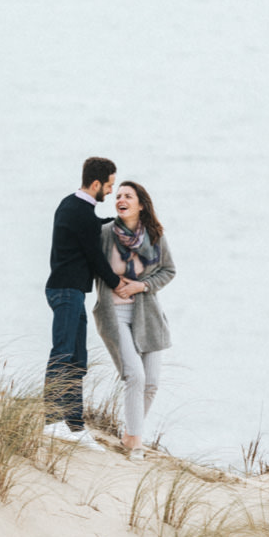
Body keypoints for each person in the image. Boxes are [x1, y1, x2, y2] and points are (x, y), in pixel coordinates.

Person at [43, 156, 140, 450]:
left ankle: (74, 425)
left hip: (70, 291)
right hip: (66, 291)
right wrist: (117, 284)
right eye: (109, 186)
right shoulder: (79, 212)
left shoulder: (72, 206)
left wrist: (116, 222)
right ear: (96, 183)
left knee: (77, 357)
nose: (111, 192)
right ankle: (52, 421)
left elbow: (91, 229)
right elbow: (94, 256)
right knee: (63, 352)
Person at [92, 180, 174, 460]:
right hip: (114, 315)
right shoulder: (105, 233)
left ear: (140, 203)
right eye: (118, 196)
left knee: (151, 383)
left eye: (128, 196)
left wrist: (142, 286)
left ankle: (129, 435)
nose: (121, 199)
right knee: (134, 376)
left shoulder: (155, 235)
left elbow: (168, 270)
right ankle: (136, 444)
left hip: (147, 315)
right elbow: (93, 262)